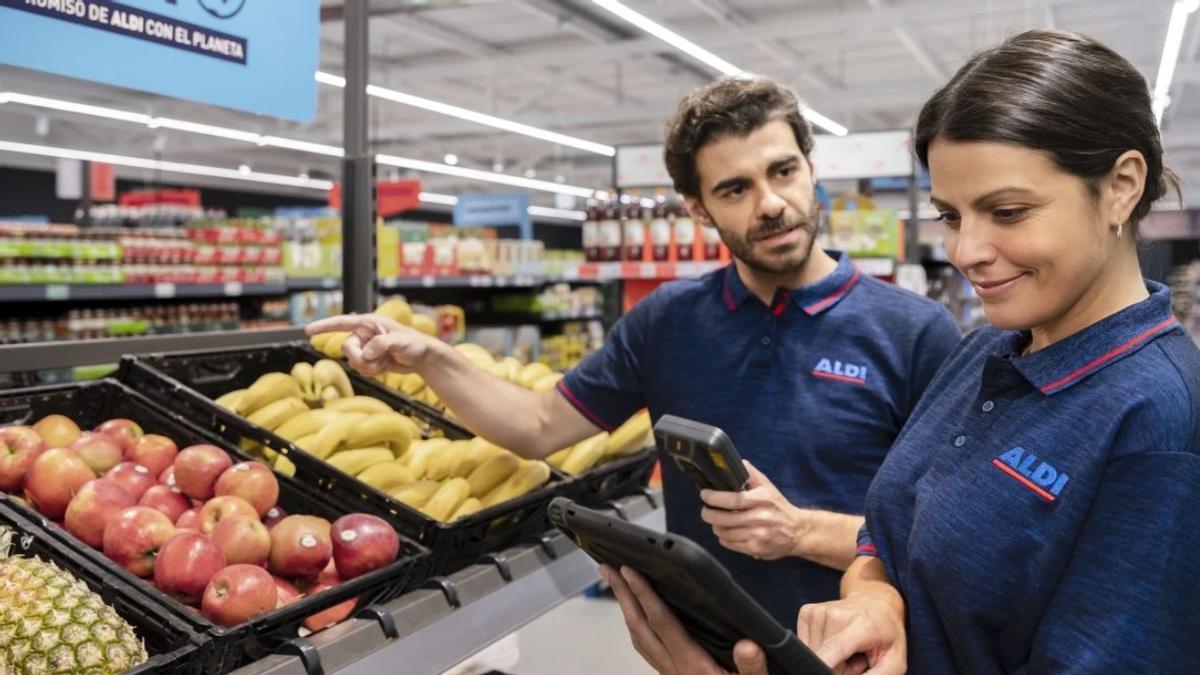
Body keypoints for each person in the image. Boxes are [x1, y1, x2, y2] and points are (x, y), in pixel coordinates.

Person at [603, 28, 1200, 675]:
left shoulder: (1159, 422)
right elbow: (889, 535)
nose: (965, 250)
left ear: (1121, 185)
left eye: (1005, 211)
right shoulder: (985, 354)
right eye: (950, 215)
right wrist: (875, 603)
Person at [308, 76, 960, 625]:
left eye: (783, 171)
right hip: (700, 652)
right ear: (698, 209)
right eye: (734, 189)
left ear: (811, 168)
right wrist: (428, 357)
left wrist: (799, 532)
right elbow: (538, 429)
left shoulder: (916, 332)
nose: (771, 204)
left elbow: (946, 536)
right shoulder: (666, 323)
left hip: (852, 655)